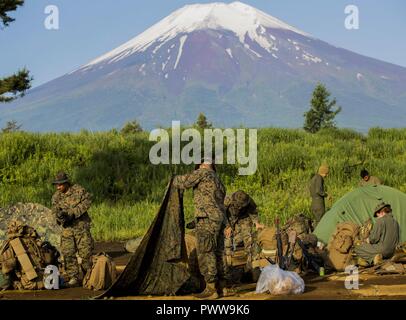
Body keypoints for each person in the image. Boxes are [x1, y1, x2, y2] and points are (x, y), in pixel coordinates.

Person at [173, 158, 227, 299]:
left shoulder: (202, 173)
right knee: (219, 252)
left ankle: (211, 288)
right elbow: (213, 201)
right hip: (220, 219)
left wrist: (172, 178)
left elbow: (182, 182)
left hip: (206, 219)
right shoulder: (217, 179)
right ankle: (223, 287)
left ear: (201, 163)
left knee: (206, 251)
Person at [51, 171, 94, 287]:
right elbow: (55, 211)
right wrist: (60, 217)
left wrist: (73, 214)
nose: (58, 187)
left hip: (81, 228)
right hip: (67, 229)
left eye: (60, 184)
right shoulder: (56, 197)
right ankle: (73, 278)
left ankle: (89, 276)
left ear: (66, 183)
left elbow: (88, 201)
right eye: (56, 185)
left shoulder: (78, 190)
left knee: (86, 253)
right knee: (68, 253)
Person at [223, 190, 262, 274]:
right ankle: (228, 264)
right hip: (228, 218)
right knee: (227, 238)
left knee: (248, 238)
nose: (240, 207)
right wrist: (227, 226)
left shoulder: (249, 201)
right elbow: (221, 213)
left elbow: (253, 212)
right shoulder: (227, 200)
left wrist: (256, 223)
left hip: (243, 217)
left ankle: (250, 263)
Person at [354, 202, 400, 266]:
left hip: (382, 250)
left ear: (381, 212)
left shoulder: (380, 221)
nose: (377, 217)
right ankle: (383, 258)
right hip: (392, 252)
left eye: (377, 214)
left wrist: (366, 240)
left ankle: (373, 260)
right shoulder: (395, 222)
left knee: (357, 248)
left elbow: (373, 239)